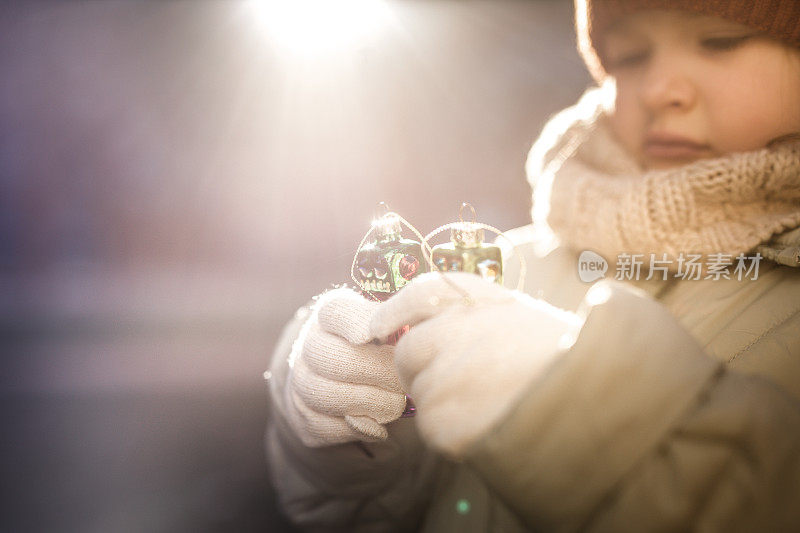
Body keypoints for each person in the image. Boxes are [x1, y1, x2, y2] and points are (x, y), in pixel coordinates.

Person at [265, 1, 800, 531]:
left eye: (720, 42)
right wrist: (345, 430)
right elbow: (365, 512)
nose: (659, 90)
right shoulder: (507, 265)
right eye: (632, 56)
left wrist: (576, 401)